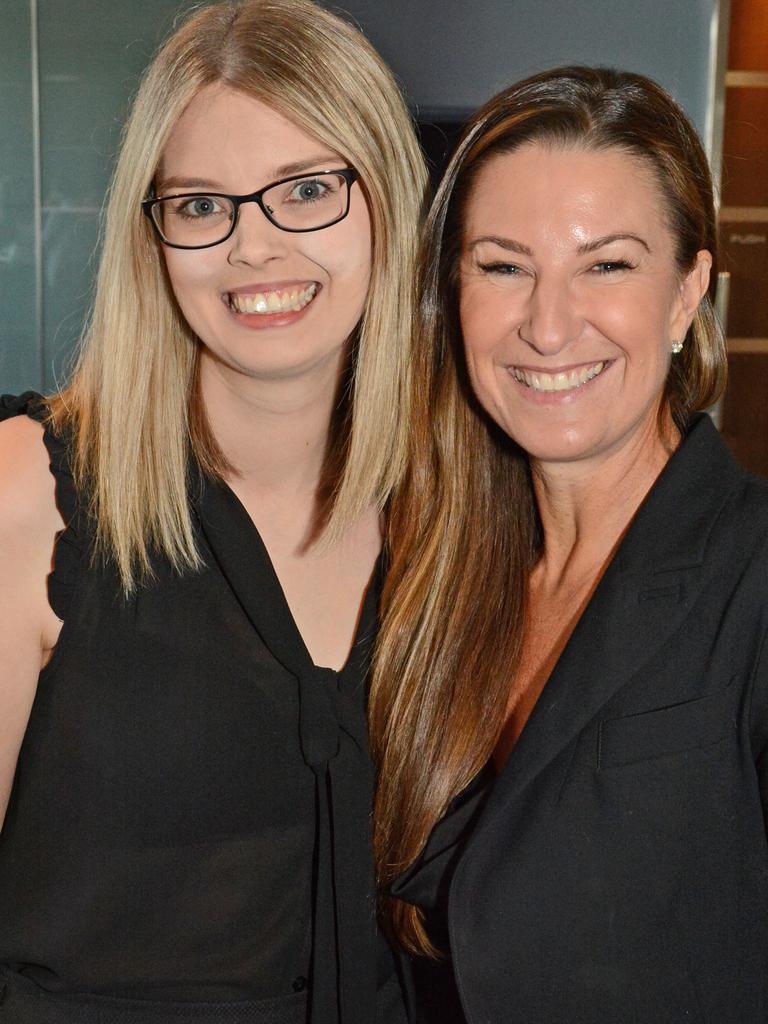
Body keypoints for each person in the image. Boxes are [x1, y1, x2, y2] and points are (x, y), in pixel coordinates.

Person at [0, 2, 426, 1022]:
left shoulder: (454, 510)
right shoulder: (32, 493)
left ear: (388, 203)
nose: (254, 247)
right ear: (153, 234)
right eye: (201, 205)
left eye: (310, 189)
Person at [370, 66, 768, 1022]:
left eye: (609, 265)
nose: (548, 327)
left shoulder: (752, 579)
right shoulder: (426, 577)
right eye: (504, 266)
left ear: (687, 295)